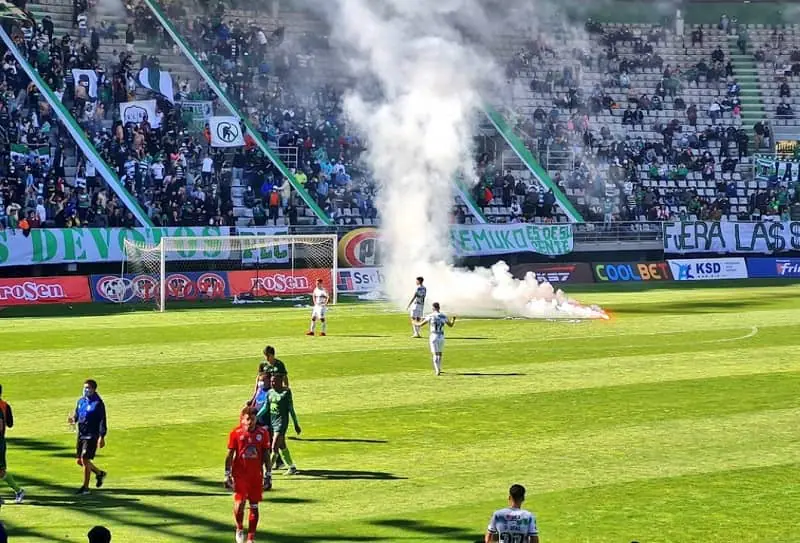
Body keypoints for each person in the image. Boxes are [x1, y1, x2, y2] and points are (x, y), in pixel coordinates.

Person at [225, 407, 270, 543]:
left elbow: (266, 455)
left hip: (256, 475)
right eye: (248, 419)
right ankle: (239, 528)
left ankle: (251, 538)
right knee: (240, 503)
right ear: (242, 419)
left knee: (254, 505)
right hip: (240, 474)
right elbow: (229, 455)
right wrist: (227, 474)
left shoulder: (263, 433)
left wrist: (268, 474)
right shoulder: (235, 433)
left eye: (253, 419)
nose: (250, 422)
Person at [257, 374, 301, 488]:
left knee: (274, 447)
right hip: (273, 422)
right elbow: (265, 407)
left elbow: (291, 409)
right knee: (282, 446)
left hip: (282, 424)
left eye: (274, 381)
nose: (272, 383)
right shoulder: (270, 393)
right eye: (271, 381)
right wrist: (255, 417)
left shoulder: (286, 393)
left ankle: (267, 473)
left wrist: (296, 424)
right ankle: (292, 467)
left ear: (280, 381)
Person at [68, 380, 108, 495]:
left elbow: (102, 420)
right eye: (85, 387)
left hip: (92, 435)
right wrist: (73, 420)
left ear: (94, 389)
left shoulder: (98, 403)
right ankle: (99, 473)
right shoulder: (81, 401)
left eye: (88, 388)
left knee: (85, 459)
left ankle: (85, 488)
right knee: (80, 461)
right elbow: (77, 414)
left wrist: (102, 436)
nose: (86, 390)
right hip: (81, 434)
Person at [414, 302, 456, 376]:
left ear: (433, 308)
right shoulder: (443, 316)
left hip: (434, 335)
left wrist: (414, 322)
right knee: (440, 353)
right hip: (441, 336)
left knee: (434, 354)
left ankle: (437, 370)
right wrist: (453, 319)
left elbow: (420, 324)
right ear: (439, 307)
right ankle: (439, 368)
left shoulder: (430, 316)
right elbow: (451, 325)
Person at [0, 385, 24, 504]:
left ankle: (19, 491)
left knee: (1, 471)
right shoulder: (5, 406)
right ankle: (18, 491)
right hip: (1, 441)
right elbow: (10, 424)